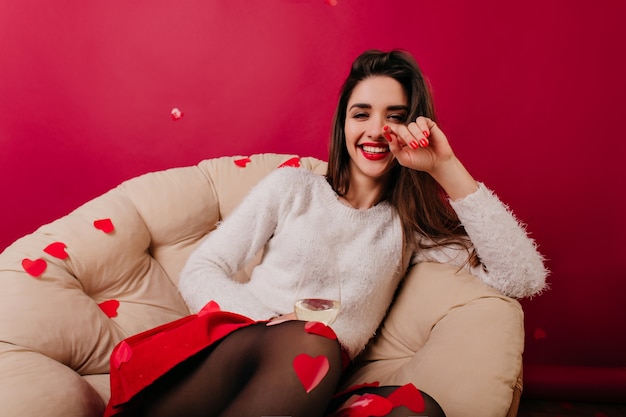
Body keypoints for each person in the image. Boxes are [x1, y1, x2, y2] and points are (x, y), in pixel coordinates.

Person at [104, 49, 548, 417]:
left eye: (394, 117)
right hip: (224, 360)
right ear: (344, 124)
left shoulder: (408, 227)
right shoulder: (293, 187)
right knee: (311, 339)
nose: (376, 130)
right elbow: (203, 267)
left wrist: (446, 167)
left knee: (417, 410)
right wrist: (273, 324)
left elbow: (522, 278)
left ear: (413, 131)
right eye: (362, 114)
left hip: (313, 384)